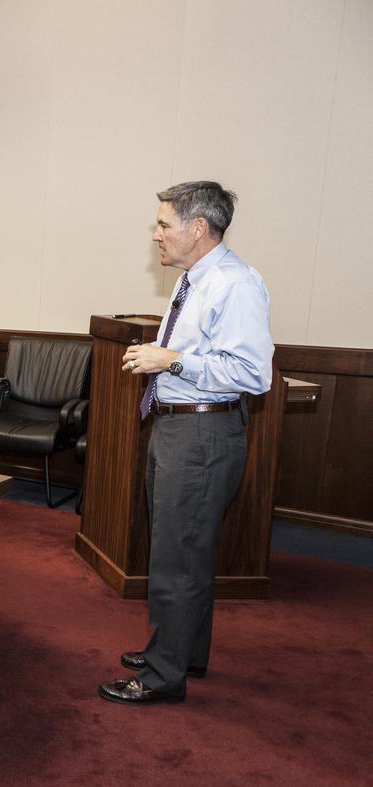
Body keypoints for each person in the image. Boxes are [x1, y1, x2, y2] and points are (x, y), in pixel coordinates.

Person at [99, 181, 273, 706]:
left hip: (202, 433)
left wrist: (169, 360)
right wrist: (166, 352)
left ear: (198, 228)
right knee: (185, 552)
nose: (156, 234)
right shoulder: (193, 279)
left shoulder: (235, 283)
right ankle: (182, 651)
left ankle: (161, 675)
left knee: (177, 557)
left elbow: (251, 372)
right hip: (179, 426)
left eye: (163, 224)